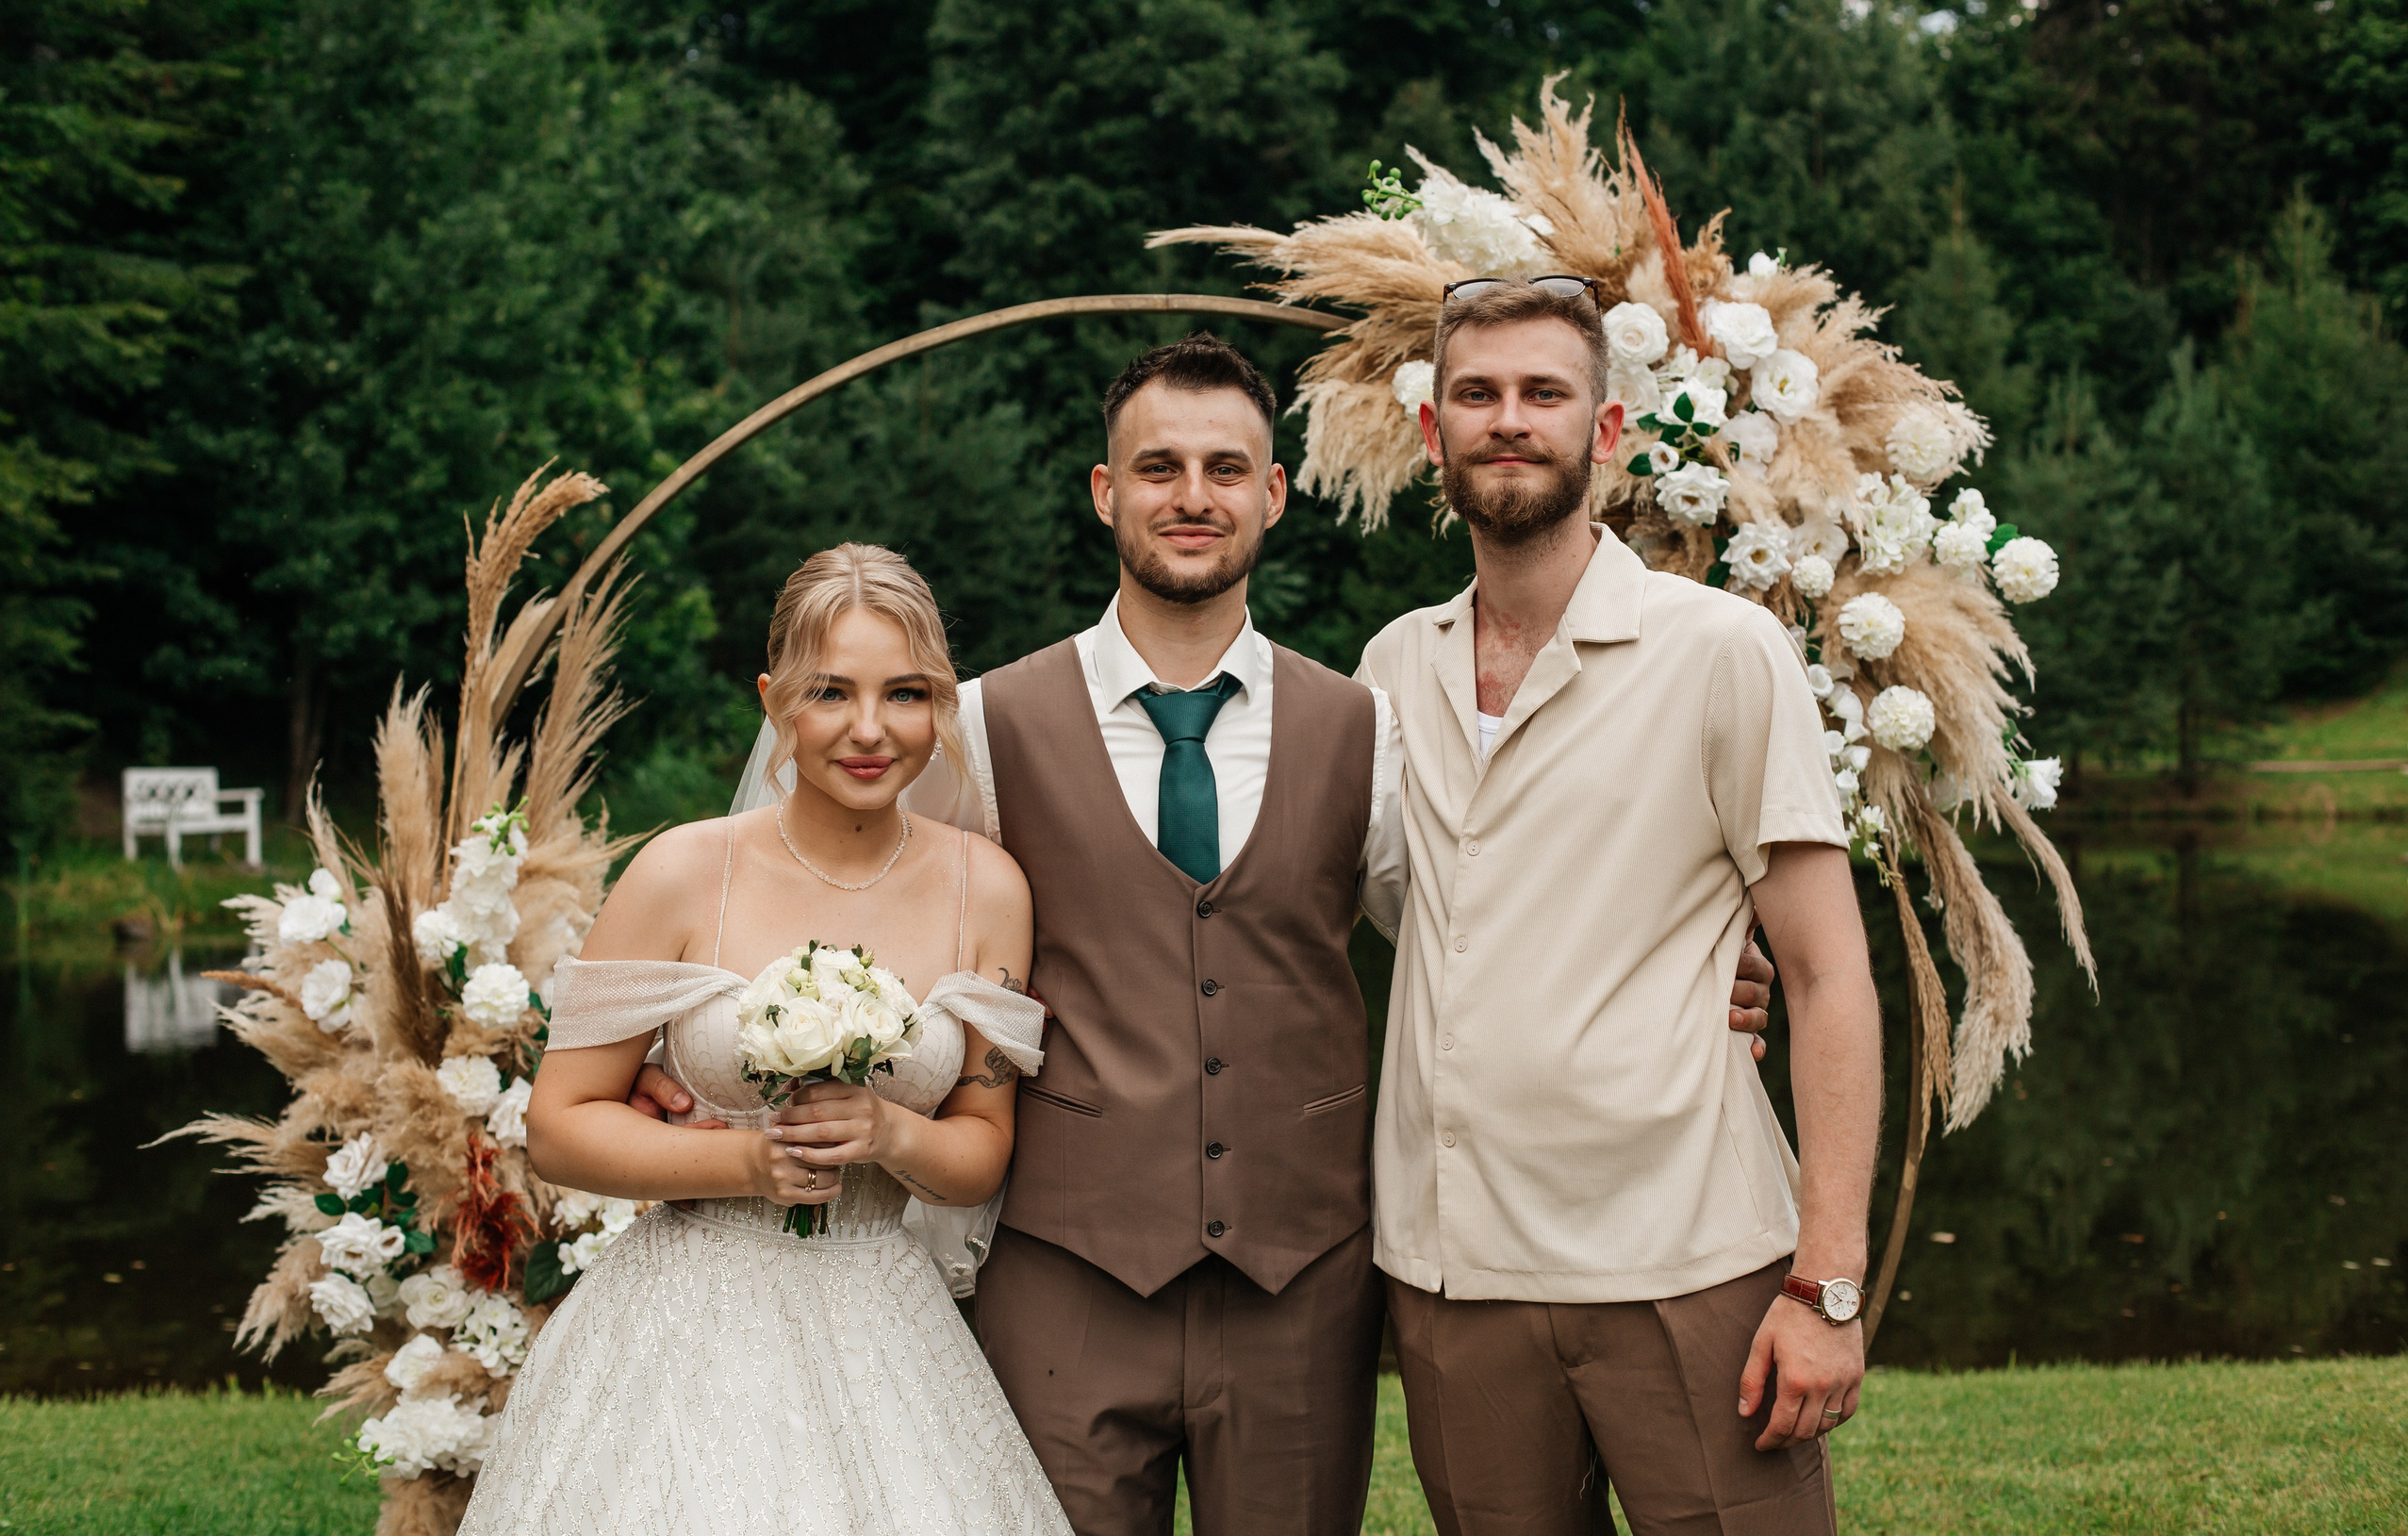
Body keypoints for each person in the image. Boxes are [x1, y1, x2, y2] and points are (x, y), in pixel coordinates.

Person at [641, 333, 1780, 1536]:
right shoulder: (978, 727)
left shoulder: (1369, 728)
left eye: (1226, 469)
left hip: (1302, 1282)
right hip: (1061, 1273)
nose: (1192, 498)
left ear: (1274, 493)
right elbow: (848, 890)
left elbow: (1472, 933)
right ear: (1104, 492)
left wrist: (1701, 957)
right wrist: (712, 1061)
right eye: (1158, 467)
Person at [1355, 275, 1885, 1536]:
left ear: (1605, 433)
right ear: (1433, 433)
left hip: (1687, 1258)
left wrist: (1828, 1284)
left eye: (1545, 393)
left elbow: (1824, 973)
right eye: (1475, 394)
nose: (1507, 419)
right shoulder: (1389, 668)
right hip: (1453, 1274)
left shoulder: (1720, 651)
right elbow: (1404, 921)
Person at [458, 545, 1072, 1536]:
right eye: (830, 692)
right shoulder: (681, 873)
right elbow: (560, 1128)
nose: (869, 731)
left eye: (905, 694)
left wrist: (888, 1134)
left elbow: (981, 1148)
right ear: (774, 700)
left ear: (942, 706)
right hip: (686, 1316)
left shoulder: (987, 889)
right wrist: (747, 1159)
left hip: (886, 1310)